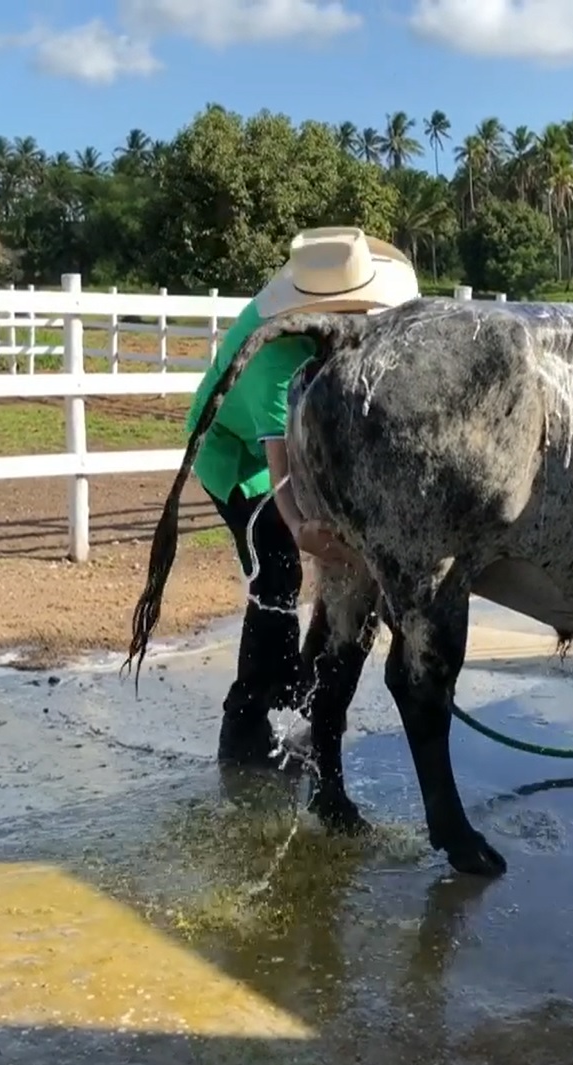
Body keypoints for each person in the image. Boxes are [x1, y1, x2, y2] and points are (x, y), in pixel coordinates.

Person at [183, 227, 421, 764]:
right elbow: (278, 466)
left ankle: (295, 691)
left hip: (287, 439)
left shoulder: (337, 333)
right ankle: (245, 722)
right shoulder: (272, 354)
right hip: (233, 453)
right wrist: (299, 525)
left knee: (293, 573)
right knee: (277, 569)